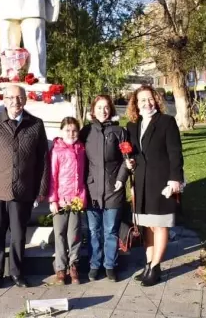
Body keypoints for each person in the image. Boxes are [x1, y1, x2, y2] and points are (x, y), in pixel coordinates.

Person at [0, 85, 49, 288]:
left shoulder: (35, 124)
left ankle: (17, 273)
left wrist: (41, 189)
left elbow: (43, 160)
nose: (15, 101)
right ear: (4, 99)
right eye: (10, 97)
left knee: (18, 236)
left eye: (19, 97)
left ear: (25, 100)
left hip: (23, 190)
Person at [125, 85, 184, 286]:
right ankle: (149, 264)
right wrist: (129, 161)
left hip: (161, 181)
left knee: (160, 224)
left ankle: (156, 267)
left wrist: (175, 179)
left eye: (149, 99)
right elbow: (133, 152)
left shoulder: (167, 122)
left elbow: (175, 153)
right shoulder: (133, 125)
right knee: (147, 226)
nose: (146, 103)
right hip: (142, 182)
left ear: (156, 100)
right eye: (142, 100)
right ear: (136, 103)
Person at [80, 95, 129, 282]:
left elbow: (127, 159)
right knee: (94, 230)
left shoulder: (119, 131)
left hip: (113, 188)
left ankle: (110, 265)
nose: (103, 110)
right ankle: (94, 264)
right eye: (99, 107)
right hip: (92, 190)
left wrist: (121, 179)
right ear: (93, 110)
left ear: (111, 109)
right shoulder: (86, 131)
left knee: (110, 230)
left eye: (106, 107)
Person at [48, 117, 87, 285]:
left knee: (75, 234)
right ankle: (60, 268)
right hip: (61, 200)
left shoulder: (81, 149)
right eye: (67, 130)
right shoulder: (56, 150)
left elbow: (84, 175)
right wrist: (53, 200)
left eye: (74, 130)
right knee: (60, 234)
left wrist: (82, 198)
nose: (71, 133)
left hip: (76, 199)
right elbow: (52, 177)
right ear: (61, 132)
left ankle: (74, 265)